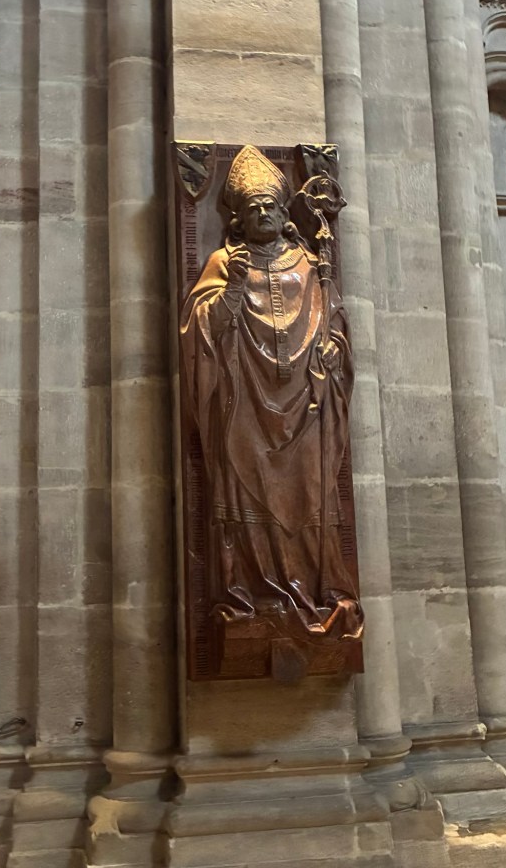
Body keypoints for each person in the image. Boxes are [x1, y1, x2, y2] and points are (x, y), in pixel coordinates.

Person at [180, 145, 363, 642]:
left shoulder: (312, 263)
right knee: (244, 495)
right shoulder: (223, 262)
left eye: (270, 206)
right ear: (237, 219)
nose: (262, 213)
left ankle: (320, 594)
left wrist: (335, 351)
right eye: (252, 208)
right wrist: (232, 291)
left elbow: (335, 325)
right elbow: (200, 332)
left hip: (308, 407)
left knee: (311, 494)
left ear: (285, 214)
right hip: (244, 405)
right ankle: (249, 598)